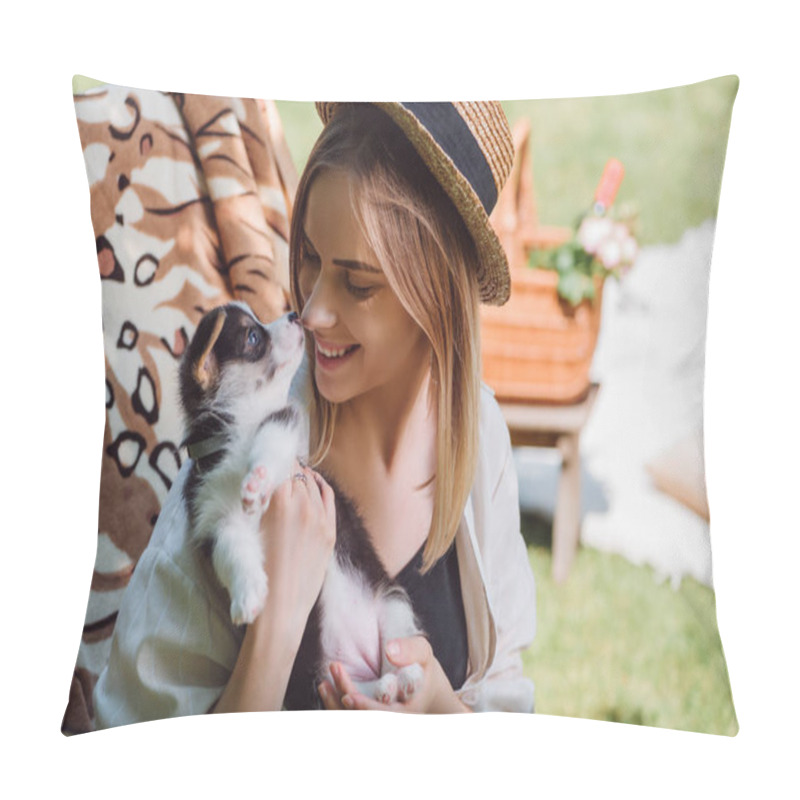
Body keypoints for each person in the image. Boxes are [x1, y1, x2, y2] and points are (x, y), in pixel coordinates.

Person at [93, 101, 536, 726]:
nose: (312, 311)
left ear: (435, 296)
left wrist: (442, 711)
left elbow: (507, 706)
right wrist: (274, 630)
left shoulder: (480, 436)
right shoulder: (240, 454)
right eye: (308, 258)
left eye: (357, 284)